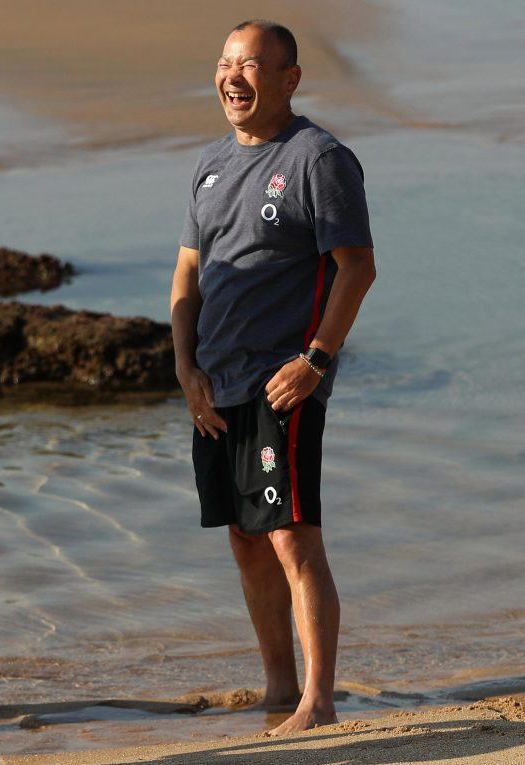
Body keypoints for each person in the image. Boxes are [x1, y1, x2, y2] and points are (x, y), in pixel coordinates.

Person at [170, 19, 375, 735]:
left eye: (252, 65)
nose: (233, 76)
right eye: (225, 62)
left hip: (279, 383)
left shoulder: (319, 158)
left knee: (291, 535)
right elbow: (188, 276)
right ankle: (279, 686)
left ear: (288, 79)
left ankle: (318, 701)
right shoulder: (207, 164)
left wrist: (314, 359)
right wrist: (183, 366)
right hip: (215, 384)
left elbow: (357, 266)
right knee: (244, 537)